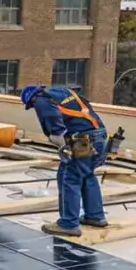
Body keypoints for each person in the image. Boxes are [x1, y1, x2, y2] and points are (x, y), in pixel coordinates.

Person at [20, 85, 109, 237]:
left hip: (85, 141)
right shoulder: (61, 92)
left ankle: (69, 224)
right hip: (100, 138)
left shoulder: (42, 101)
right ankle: (95, 216)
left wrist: (61, 144)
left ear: (32, 99)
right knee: (86, 175)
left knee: (70, 177)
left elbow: (56, 130)